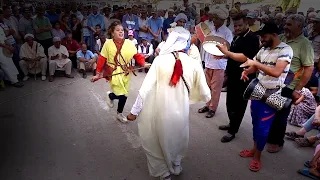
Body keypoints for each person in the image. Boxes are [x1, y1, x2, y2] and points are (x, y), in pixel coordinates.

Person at [126, 25, 211, 180]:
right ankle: (176, 163)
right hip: (181, 111)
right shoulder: (193, 63)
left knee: (155, 139)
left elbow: (144, 89)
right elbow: (206, 94)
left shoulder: (159, 61)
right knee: (178, 136)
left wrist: (134, 112)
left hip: (160, 111)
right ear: (185, 43)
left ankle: (162, 172)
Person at [238, 22, 293, 172]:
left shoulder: (285, 50)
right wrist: (247, 71)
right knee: (255, 123)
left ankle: (257, 157)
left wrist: (254, 63)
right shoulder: (264, 48)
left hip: (272, 95)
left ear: (274, 35)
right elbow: (255, 65)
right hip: (257, 91)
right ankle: (254, 150)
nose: (262, 39)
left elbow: (276, 72)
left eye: (264, 36)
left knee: (262, 129)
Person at [216, 14, 260, 143]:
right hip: (232, 75)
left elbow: (244, 58)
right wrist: (224, 56)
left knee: (239, 105)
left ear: (247, 23)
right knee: (230, 102)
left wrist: (227, 53)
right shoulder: (237, 37)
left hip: (244, 77)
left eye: (240, 25)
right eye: (235, 25)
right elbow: (233, 55)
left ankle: (232, 131)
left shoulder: (252, 38)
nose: (237, 28)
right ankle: (231, 124)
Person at [91, 20, 146, 123]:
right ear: (112, 32)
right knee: (121, 93)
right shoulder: (108, 44)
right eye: (117, 30)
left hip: (125, 72)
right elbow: (102, 59)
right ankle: (114, 103)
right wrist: (97, 74)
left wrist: (143, 63)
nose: (121, 32)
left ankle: (118, 111)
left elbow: (137, 55)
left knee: (124, 94)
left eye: (122, 30)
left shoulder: (129, 43)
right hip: (113, 72)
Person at [198, 6, 233, 118]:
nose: (213, 20)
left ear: (222, 19)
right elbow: (205, 40)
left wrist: (222, 55)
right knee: (207, 86)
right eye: (213, 18)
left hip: (219, 64)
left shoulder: (227, 32)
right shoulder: (211, 28)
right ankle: (207, 105)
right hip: (208, 62)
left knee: (215, 88)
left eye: (216, 18)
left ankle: (213, 108)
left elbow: (229, 50)